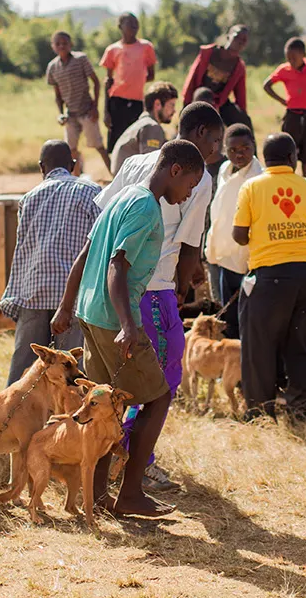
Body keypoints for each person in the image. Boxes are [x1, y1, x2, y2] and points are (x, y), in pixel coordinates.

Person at [51, 139, 207, 517]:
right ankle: (132, 493)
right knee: (157, 398)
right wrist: (127, 325)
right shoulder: (145, 208)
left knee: (110, 406)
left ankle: (101, 495)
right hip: (111, 320)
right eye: (190, 185)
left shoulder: (122, 197)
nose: (188, 195)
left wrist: (66, 307)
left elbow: (85, 256)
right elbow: (117, 267)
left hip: (90, 314)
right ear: (175, 171)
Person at [93, 102, 224, 493]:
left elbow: (103, 214)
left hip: (115, 290)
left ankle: (107, 469)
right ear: (199, 133)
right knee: (159, 384)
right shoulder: (199, 176)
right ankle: (135, 462)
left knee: (120, 380)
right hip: (154, 288)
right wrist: (183, 291)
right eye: (215, 141)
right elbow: (187, 246)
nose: (215, 150)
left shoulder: (139, 161)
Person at [233, 133, 306, 421]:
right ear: (292, 158)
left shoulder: (251, 187)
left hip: (268, 276)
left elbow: (239, 236)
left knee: (259, 346)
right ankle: (300, 408)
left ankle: (261, 411)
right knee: (301, 344)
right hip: (305, 276)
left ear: (264, 157)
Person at [0, 141, 101, 385]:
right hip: (71, 296)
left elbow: (21, 250)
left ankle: (12, 419)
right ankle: (65, 421)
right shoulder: (93, 192)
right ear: (73, 165)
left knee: (25, 373)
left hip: (33, 291)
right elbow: (99, 248)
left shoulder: (29, 198)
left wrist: (15, 296)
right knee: (70, 374)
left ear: (41, 167)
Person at [205, 124, 262, 337]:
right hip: (220, 253)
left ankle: (243, 364)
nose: (239, 154)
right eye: (232, 150)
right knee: (226, 315)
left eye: (245, 148)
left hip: (243, 258)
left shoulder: (258, 178)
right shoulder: (223, 170)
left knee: (244, 315)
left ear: (254, 146)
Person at [47, 30, 112, 175]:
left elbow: (95, 82)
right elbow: (57, 95)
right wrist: (60, 113)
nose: (61, 46)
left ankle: (114, 177)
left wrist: (95, 108)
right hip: (70, 113)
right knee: (71, 149)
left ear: (71, 44)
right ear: (53, 46)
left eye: (65, 43)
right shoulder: (52, 67)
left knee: (98, 146)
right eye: (58, 44)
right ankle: (75, 179)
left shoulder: (80, 59)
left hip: (86, 110)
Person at [263, 37, 306, 177]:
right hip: (292, 115)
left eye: (294, 57)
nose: (291, 61)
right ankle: (289, 179)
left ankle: (305, 180)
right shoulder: (284, 70)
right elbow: (266, 85)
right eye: (288, 58)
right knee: (288, 148)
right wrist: (281, 100)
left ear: (303, 55)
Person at [100, 13, 157, 153]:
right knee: (116, 141)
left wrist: (135, 81)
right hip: (116, 101)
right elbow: (108, 83)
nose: (134, 26)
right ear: (120, 26)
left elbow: (151, 75)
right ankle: (115, 173)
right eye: (129, 23)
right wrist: (106, 112)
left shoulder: (146, 47)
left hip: (137, 101)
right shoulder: (112, 50)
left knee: (134, 139)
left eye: (136, 23)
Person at [181, 24, 252, 131]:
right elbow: (192, 79)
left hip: (219, 102)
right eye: (237, 37)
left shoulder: (239, 67)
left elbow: (241, 97)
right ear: (228, 36)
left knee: (244, 121)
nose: (240, 42)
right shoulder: (208, 53)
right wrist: (187, 104)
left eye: (244, 40)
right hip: (199, 96)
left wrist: (242, 116)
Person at [111, 81, 178, 174]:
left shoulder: (143, 124)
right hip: (130, 184)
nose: (174, 111)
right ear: (157, 104)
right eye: (172, 105)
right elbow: (151, 167)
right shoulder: (151, 126)